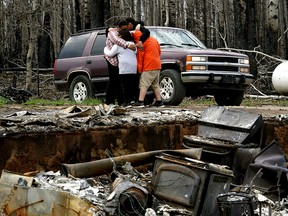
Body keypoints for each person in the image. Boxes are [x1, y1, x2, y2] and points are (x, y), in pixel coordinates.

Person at [104, 19, 136, 105]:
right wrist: (128, 45)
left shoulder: (123, 33)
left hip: (119, 61)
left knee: (119, 82)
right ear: (118, 27)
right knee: (113, 80)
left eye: (126, 29)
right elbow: (117, 40)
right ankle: (109, 101)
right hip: (112, 60)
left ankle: (121, 101)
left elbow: (132, 33)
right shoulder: (112, 33)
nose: (124, 31)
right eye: (123, 29)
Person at [132, 29, 164, 108]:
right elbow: (159, 51)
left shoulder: (141, 44)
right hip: (157, 65)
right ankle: (159, 101)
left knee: (144, 84)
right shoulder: (154, 40)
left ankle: (140, 101)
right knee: (155, 84)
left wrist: (139, 69)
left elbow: (141, 57)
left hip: (148, 66)